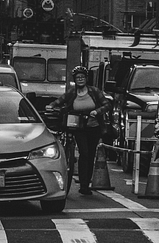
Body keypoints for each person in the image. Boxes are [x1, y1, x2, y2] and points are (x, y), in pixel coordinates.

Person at [46, 65, 111, 195]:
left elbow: (107, 104)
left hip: (93, 127)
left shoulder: (94, 91)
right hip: (78, 127)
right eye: (78, 77)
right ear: (74, 80)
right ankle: (83, 184)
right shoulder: (72, 92)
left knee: (91, 154)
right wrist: (51, 106)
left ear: (86, 79)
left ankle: (86, 183)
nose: (80, 79)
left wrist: (97, 111)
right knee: (84, 153)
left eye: (82, 77)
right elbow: (59, 101)